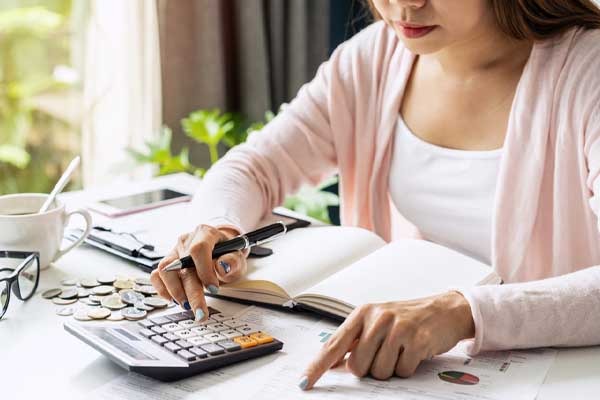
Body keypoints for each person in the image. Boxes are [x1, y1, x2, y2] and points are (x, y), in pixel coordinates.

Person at [150, 0, 600, 391]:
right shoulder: (372, 58)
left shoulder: (587, 71)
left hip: (560, 377)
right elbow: (252, 167)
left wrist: (465, 311)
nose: (404, 4)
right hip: (411, 374)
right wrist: (219, 228)